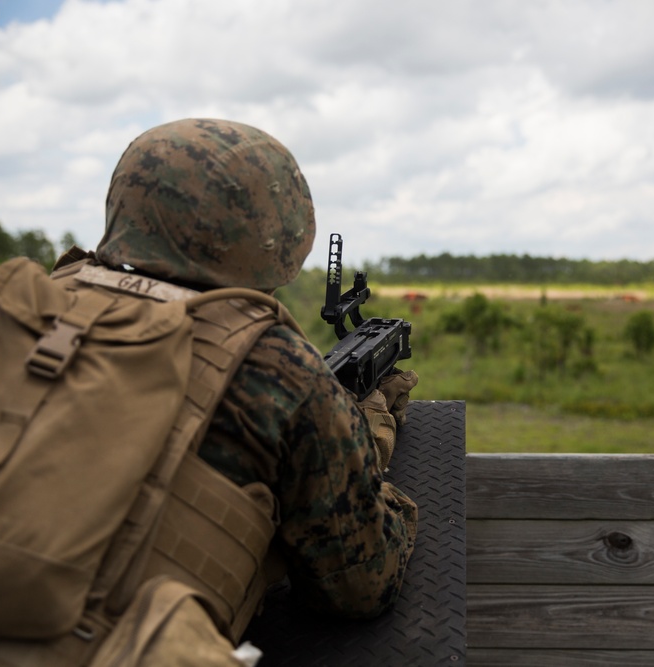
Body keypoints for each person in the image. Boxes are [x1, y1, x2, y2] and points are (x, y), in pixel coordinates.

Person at [91, 118, 418, 623]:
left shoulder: (31, 316)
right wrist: (366, 429)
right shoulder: (277, 371)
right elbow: (362, 585)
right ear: (275, 230)